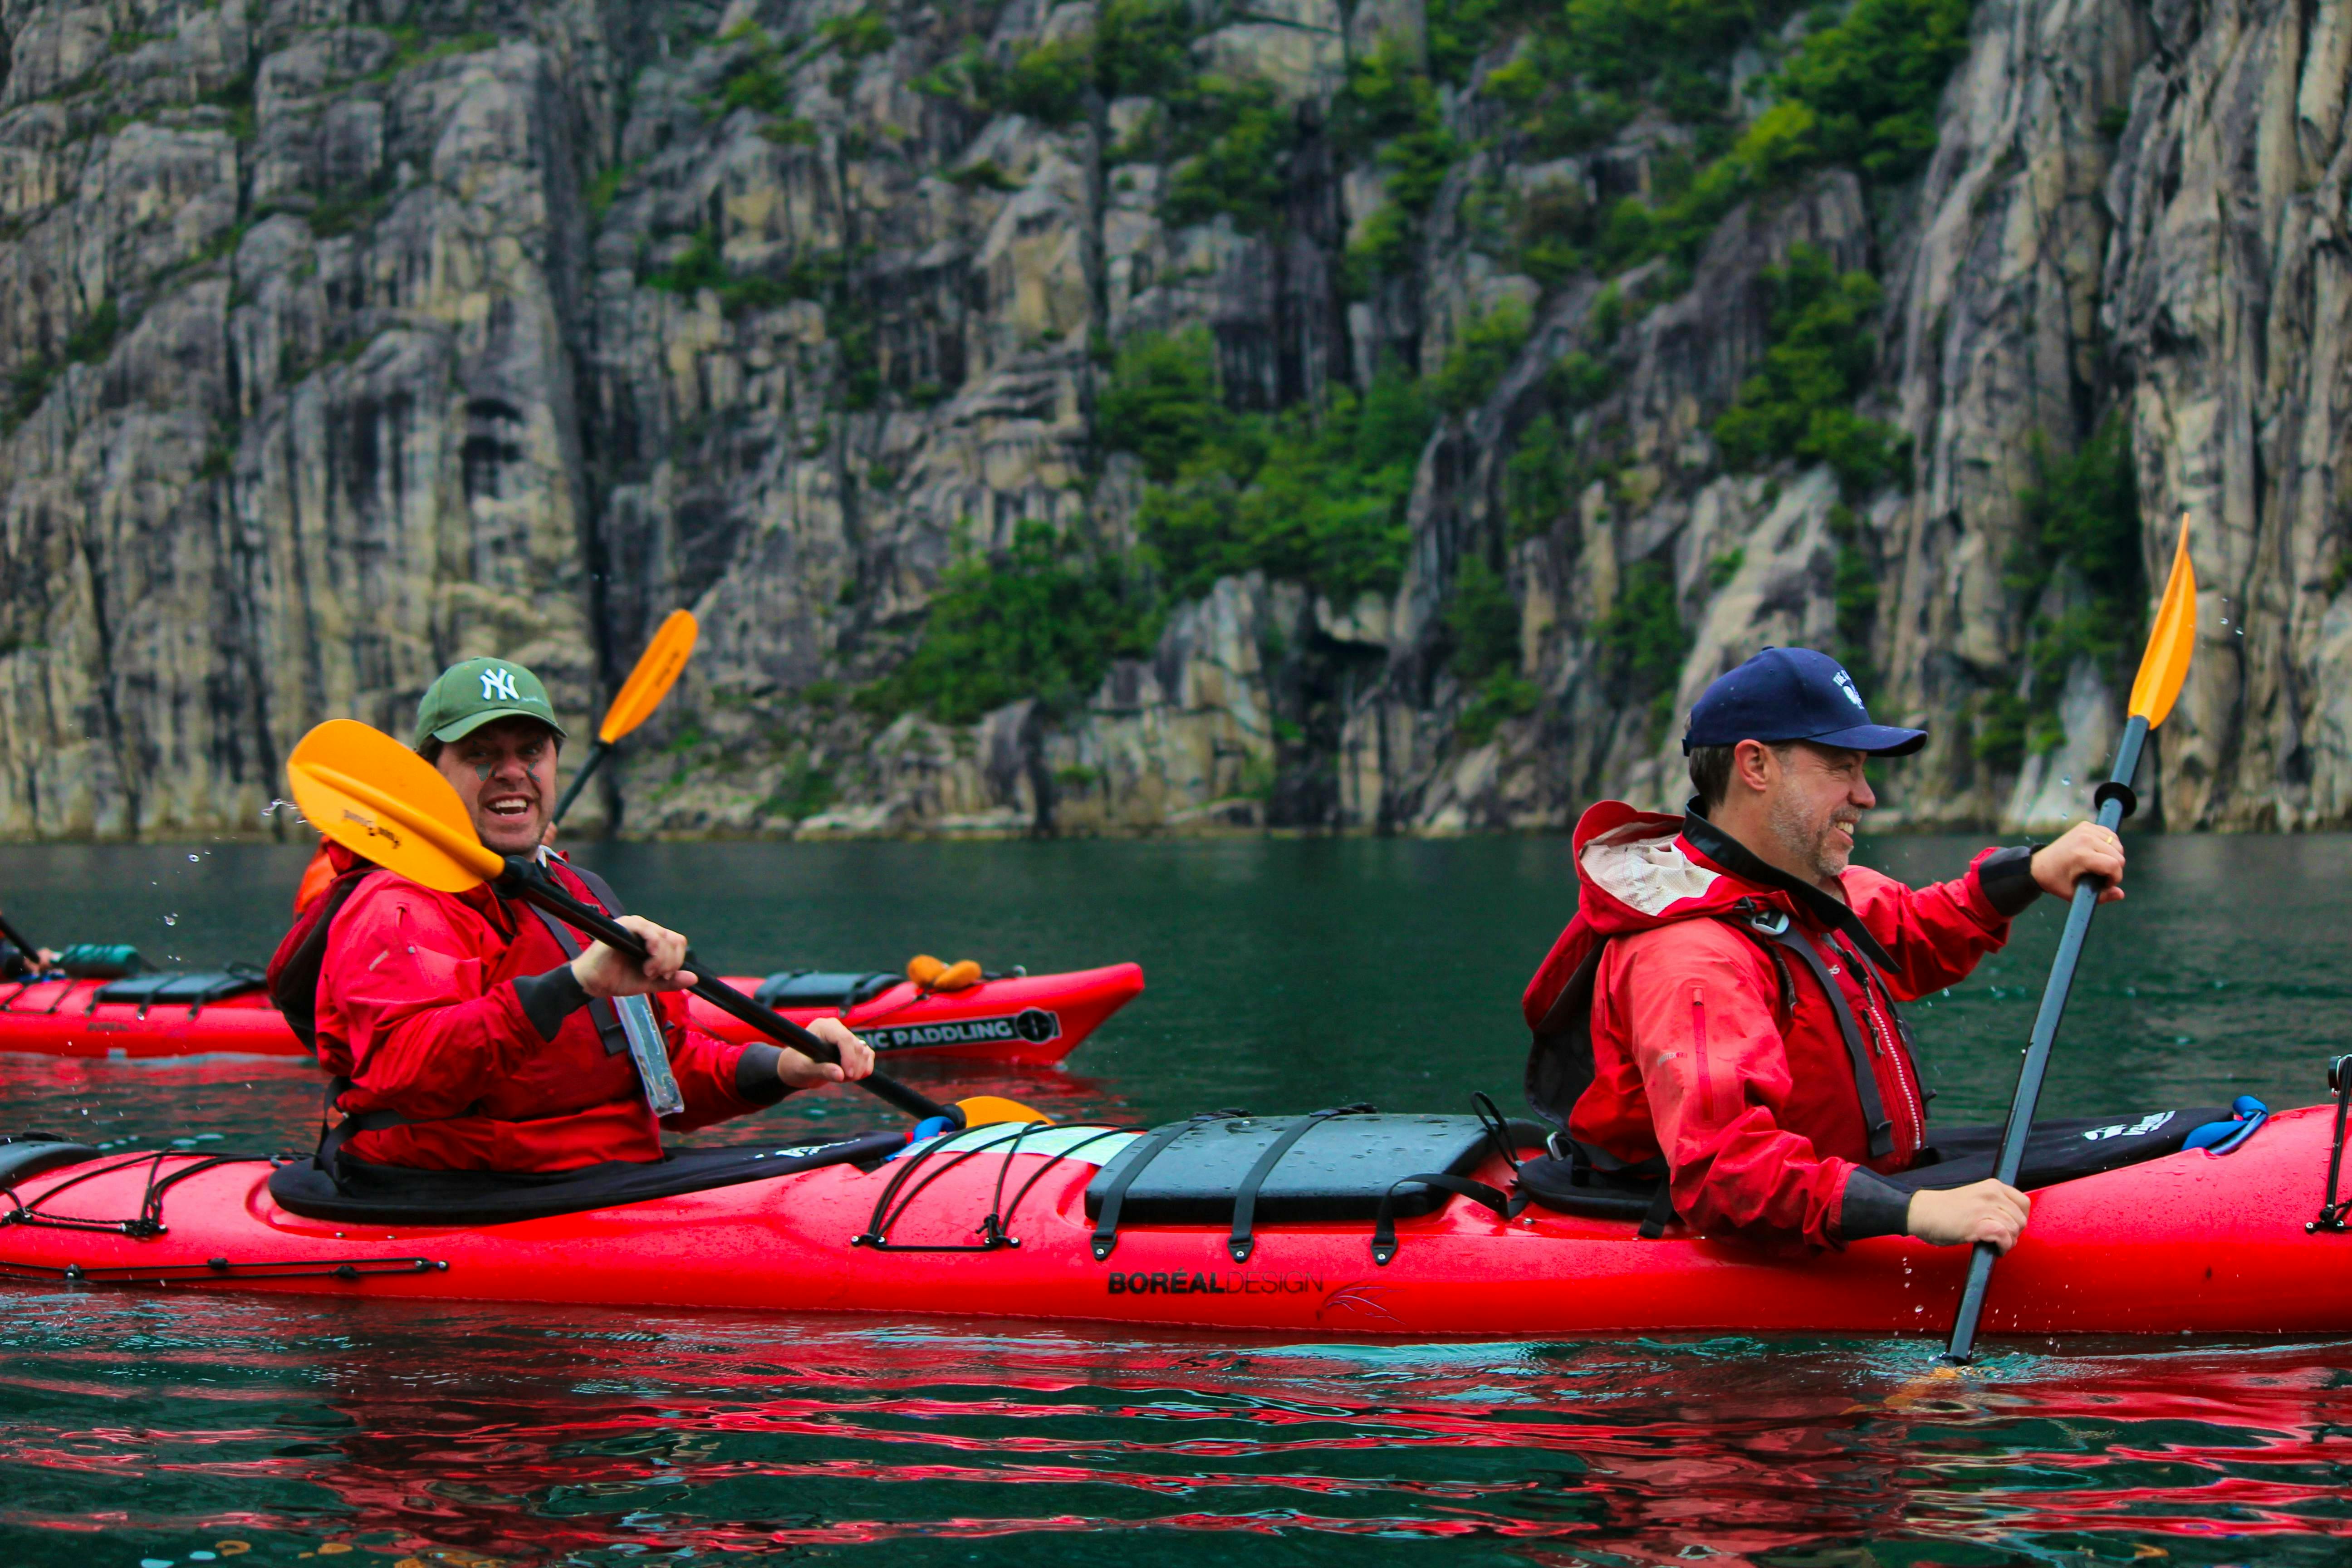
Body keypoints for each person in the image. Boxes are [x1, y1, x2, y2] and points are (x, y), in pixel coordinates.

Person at [1520, 647, 2127, 1255]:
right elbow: (1726, 1172)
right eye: (1842, 767)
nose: (1866, 796)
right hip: (1748, 1231)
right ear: (1755, 765)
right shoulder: (1691, 959)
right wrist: (1914, 1212)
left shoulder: (1790, 893)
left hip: (1849, 1189)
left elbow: (1910, 934)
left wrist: (2031, 871)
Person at [307, 656, 875, 1171]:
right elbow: (411, 1072)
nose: (511, 772)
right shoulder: (401, 905)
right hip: (464, 1192)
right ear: (429, 774)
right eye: (481, 755)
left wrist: (783, 1067)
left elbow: (667, 1073)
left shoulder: (580, 893)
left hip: (610, 1175)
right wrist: (576, 984)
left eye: (531, 752)